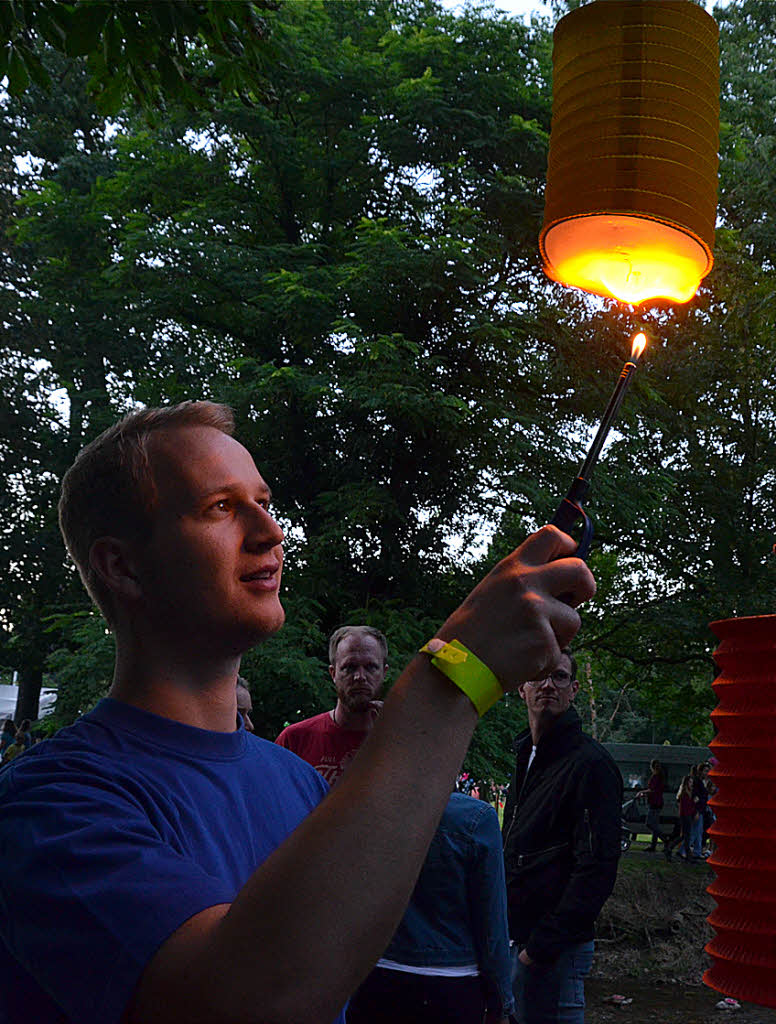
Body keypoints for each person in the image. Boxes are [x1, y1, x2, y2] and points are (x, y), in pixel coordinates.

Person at [0, 401, 595, 1024]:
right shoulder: (46, 806)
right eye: (222, 507)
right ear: (121, 565)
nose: (270, 531)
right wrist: (457, 675)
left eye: (264, 501)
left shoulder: (296, 781)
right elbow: (248, 1002)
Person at [502, 648, 622, 1024]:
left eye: (559, 677)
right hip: (518, 939)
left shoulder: (591, 764)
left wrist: (539, 949)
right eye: (537, 676)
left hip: (553, 950)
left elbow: (596, 869)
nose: (547, 685)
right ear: (522, 688)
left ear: (573, 690)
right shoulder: (527, 754)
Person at [347, 791, 513, 1024]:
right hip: (451, 982)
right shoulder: (475, 818)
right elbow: (492, 924)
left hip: (377, 975)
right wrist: (502, 1003)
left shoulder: (365, 807)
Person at [275, 625, 387, 784]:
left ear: (384, 672)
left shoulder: (401, 742)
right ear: (333, 673)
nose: (360, 677)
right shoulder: (295, 740)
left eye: (370, 667)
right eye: (349, 667)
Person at [639, 759, 667, 853]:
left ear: (652, 767)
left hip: (654, 803)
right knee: (655, 824)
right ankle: (653, 845)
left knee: (649, 823)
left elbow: (652, 790)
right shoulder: (660, 776)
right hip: (658, 802)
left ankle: (665, 840)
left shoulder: (655, 777)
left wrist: (642, 792)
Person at [674, 774, 698, 863]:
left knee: (685, 836)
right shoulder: (685, 793)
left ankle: (670, 847)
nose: (691, 784)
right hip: (686, 816)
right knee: (686, 836)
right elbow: (687, 807)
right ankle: (688, 857)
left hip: (686, 816)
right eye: (690, 782)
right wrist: (694, 802)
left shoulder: (686, 793)